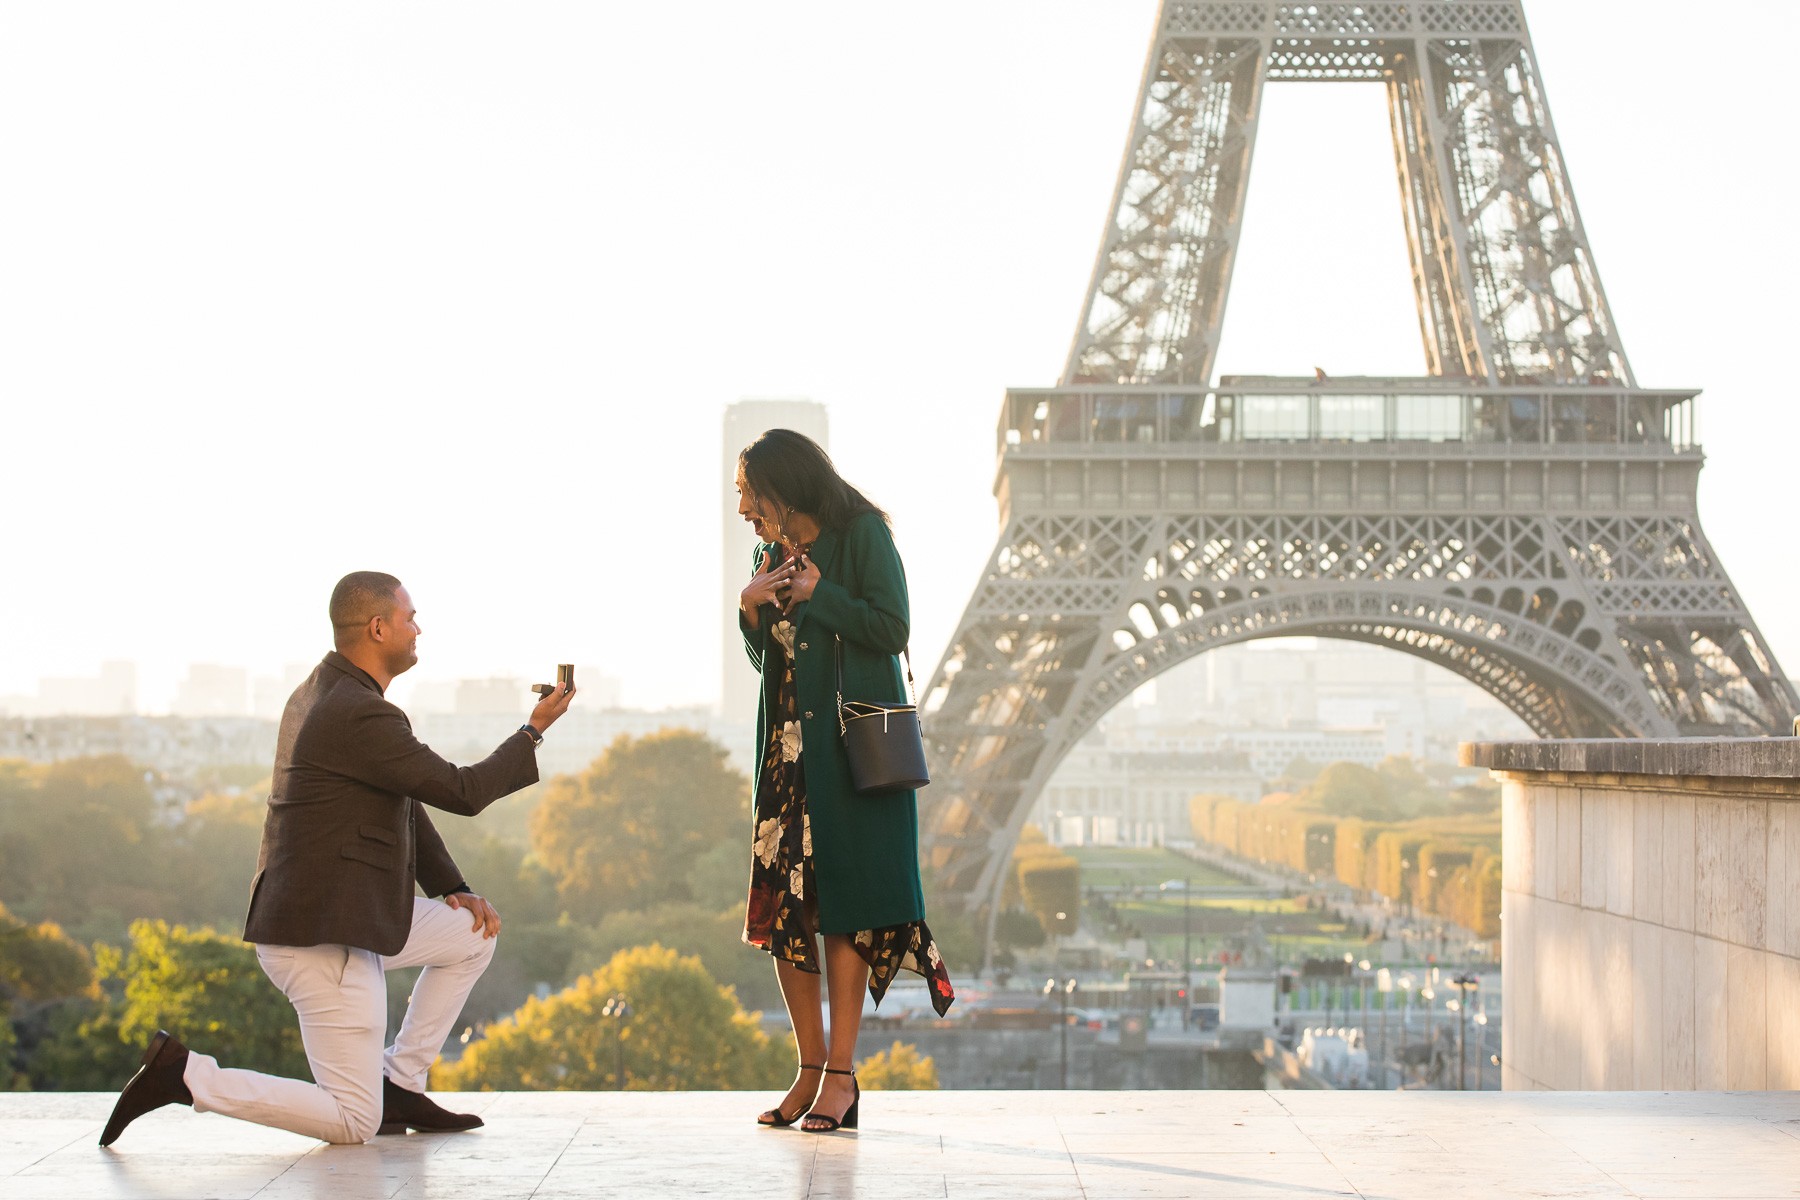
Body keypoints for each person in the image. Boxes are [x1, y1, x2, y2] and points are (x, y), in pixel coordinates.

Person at [99, 571, 575, 1147]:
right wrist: (534, 730)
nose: (417, 627)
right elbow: (462, 792)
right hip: (323, 938)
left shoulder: (321, 693)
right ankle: (187, 1075)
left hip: (347, 916)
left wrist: (452, 886)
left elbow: (402, 800)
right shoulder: (358, 712)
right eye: (409, 617)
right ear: (378, 627)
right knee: (353, 1122)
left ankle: (399, 1083)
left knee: (472, 933)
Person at [734, 430, 954, 1134]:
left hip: (853, 758)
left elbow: (890, 629)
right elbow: (773, 659)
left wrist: (821, 594)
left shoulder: (863, 536)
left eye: (746, 492)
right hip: (788, 756)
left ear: (781, 485)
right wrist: (750, 612)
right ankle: (807, 1069)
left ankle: (842, 1075)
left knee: (845, 910)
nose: (741, 508)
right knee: (785, 920)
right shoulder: (768, 553)